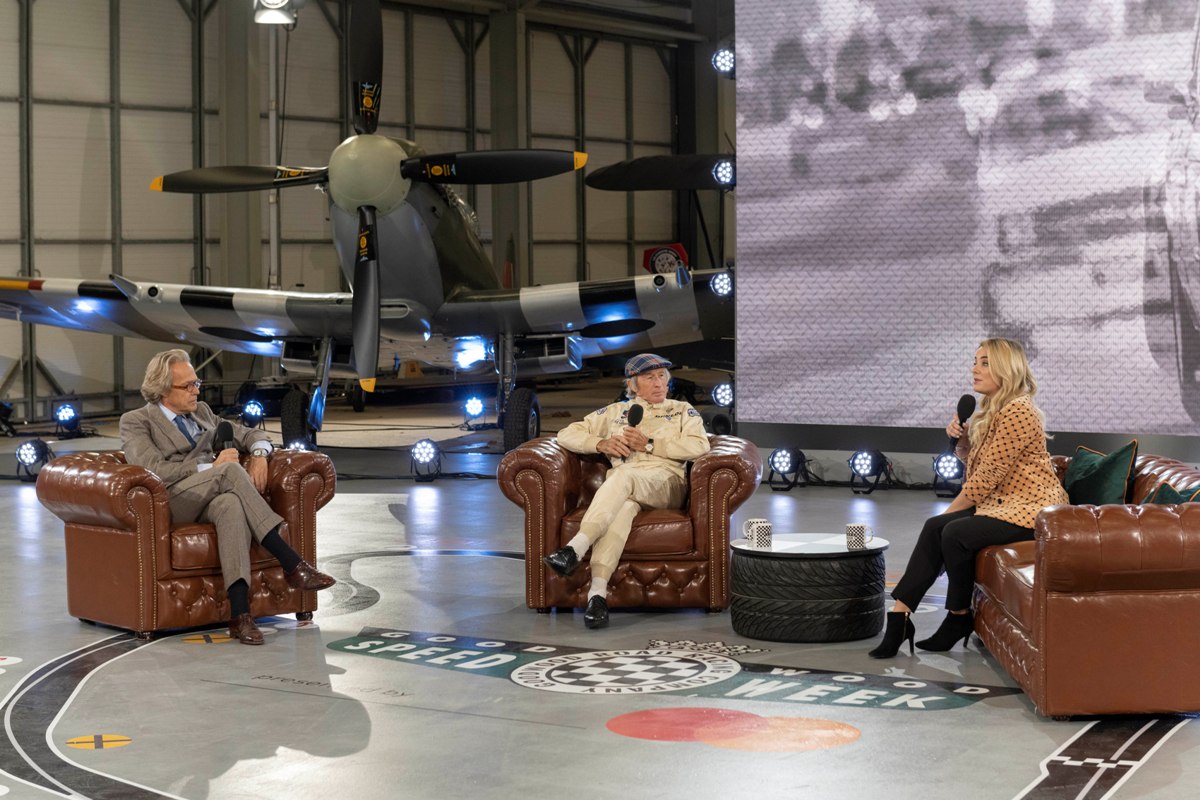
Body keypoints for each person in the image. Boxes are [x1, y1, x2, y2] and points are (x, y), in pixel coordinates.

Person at [869, 338, 1068, 658]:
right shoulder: (993, 408)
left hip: (1031, 509)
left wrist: (950, 511)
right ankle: (900, 616)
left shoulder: (1018, 410)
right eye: (975, 361)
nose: (975, 369)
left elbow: (987, 478)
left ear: (1006, 368)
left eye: (985, 363)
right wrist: (962, 440)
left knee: (953, 530)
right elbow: (977, 464)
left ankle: (958, 617)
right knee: (937, 527)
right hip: (1003, 504)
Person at [120, 349, 336, 645]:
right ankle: (291, 562)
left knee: (230, 505)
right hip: (172, 500)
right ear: (163, 389)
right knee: (229, 471)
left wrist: (259, 455)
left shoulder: (202, 412)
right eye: (189, 386)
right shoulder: (137, 421)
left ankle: (240, 615)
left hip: (211, 495)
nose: (197, 391)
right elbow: (152, 469)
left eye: (197, 383)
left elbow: (250, 435)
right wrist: (211, 467)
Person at [542, 353, 711, 629]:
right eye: (649, 377)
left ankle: (575, 547)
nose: (658, 383)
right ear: (633, 384)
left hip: (666, 483)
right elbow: (566, 433)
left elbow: (700, 446)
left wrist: (650, 443)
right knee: (621, 509)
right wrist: (600, 444)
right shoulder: (615, 412)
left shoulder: (682, 410)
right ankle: (597, 595)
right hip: (625, 489)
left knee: (623, 475)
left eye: (662, 377)